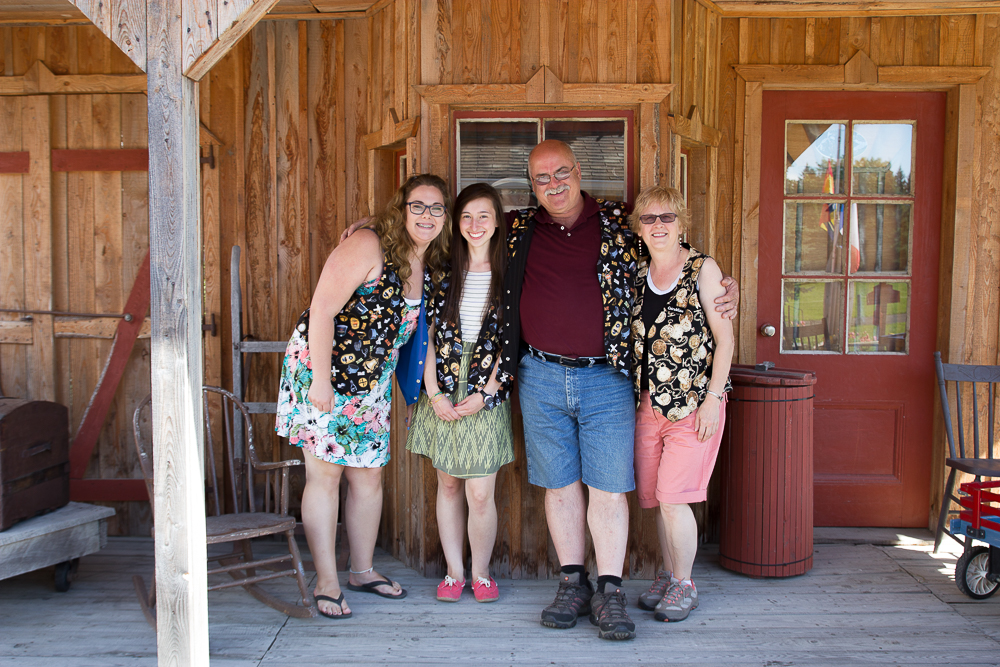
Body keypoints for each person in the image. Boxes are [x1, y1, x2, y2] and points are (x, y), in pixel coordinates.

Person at [496, 140, 739, 641]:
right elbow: (459, 232)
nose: (554, 184)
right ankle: (572, 582)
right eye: (542, 178)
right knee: (559, 486)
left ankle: (609, 590)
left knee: (609, 488)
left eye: (562, 172)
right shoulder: (518, 228)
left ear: (579, 171)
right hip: (539, 375)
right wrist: (371, 232)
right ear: (532, 185)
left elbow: (670, 249)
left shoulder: (618, 222)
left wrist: (721, 285)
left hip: (607, 377)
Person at [275, 174, 450, 619]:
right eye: (417, 206)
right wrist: (320, 383)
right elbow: (322, 310)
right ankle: (327, 582)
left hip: (371, 385)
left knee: (367, 478)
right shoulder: (369, 245)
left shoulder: (428, 262)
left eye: (436, 208)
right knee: (326, 477)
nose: (427, 216)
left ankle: (362, 570)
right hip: (324, 375)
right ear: (402, 208)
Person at [629, 185, 733, 623]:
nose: (658, 226)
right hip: (646, 406)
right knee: (655, 498)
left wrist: (713, 398)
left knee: (675, 499)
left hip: (693, 405)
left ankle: (685, 584)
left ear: (681, 223)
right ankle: (669, 573)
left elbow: (726, 340)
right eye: (649, 219)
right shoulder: (637, 275)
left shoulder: (703, 270)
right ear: (638, 227)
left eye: (667, 217)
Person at [406, 183, 513, 604]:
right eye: (466, 216)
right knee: (448, 485)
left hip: (487, 392)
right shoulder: (443, 270)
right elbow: (426, 336)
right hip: (443, 391)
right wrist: (433, 394)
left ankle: (481, 573)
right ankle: (454, 573)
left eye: (484, 216)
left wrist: (487, 393)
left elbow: (513, 340)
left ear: (498, 222)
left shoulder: (510, 273)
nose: (475, 225)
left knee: (480, 491)